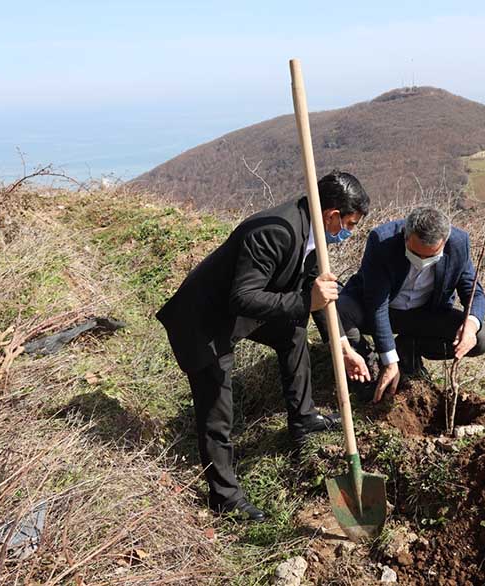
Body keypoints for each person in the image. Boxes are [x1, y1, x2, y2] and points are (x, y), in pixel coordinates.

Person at [156, 171, 371, 521]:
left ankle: (304, 420)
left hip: (240, 313)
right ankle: (223, 497)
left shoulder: (313, 233)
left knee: (292, 333)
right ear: (332, 215)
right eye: (348, 223)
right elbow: (243, 297)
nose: (349, 232)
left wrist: (342, 346)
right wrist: (306, 302)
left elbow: (318, 294)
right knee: (216, 410)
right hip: (204, 321)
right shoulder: (276, 232)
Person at [337, 206, 485, 403]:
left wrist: (470, 326)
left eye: (431, 256)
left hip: (424, 314)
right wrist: (388, 360)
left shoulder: (458, 244)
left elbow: (473, 292)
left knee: (481, 339)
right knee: (340, 310)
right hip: (378, 309)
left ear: (444, 242)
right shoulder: (382, 241)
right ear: (405, 236)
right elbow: (377, 304)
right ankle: (367, 365)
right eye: (416, 253)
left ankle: (410, 347)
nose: (422, 261)